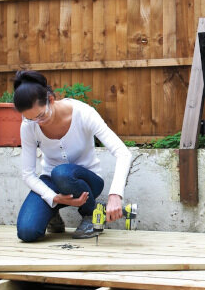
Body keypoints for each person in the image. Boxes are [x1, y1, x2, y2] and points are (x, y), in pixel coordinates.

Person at [12, 70, 132, 241]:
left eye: (41, 116)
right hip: (52, 182)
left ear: (50, 100)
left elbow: (123, 153)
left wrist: (115, 195)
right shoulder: (28, 126)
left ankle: (91, 215)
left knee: (62, 173)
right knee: (26, 232)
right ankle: (51, 212)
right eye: (30, 119)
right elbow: (28, 174)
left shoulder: (83, 113)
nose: (37, 123)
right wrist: (53, 197)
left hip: (87, 180)